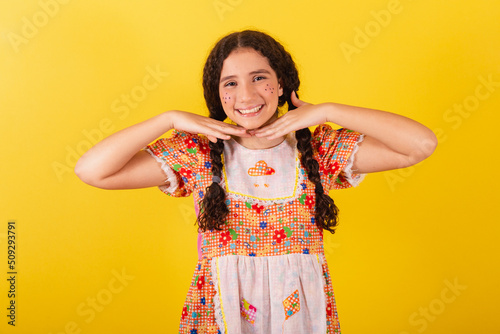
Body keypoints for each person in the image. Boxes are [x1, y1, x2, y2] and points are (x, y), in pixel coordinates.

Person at [75, 29, 437, 334]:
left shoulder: (320, 148)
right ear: (218, 94)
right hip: (221, 310)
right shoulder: (198, 153)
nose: (246, 96)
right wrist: (168, 119)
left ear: (281, 84)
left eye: (259, 78)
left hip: (301, 315)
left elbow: (420, 144)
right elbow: (92, 170)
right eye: (230, 83)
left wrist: (328, 110)